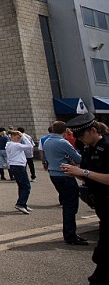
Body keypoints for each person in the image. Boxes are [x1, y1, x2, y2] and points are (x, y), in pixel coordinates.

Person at [62, 113, 109, 285]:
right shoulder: (89, 149)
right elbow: (90, 175)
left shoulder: (107, 147)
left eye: (82, 135)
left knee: (103, 253)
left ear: (94, 130)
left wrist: (83, 172)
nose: (80, 139)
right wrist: (75, 172)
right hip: (101, 203)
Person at [43, 120, 87, 245]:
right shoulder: (62, 142)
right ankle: (70, 235)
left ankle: (70, 233)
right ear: (65, 130)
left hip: (54, 174)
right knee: (71, 206)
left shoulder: (47, 141)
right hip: (65, 174)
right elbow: (78, 158)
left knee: (67, 204)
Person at [6, 130, 33, 214]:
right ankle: (21, 204)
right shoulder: (15, 145)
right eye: (17, 137)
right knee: (26, 186)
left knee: (21, 186)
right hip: (18, 166)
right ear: (12, 137)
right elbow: (30, 146)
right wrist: (24, 136)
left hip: (14, 165)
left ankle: (23, 203)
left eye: (19, 138)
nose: (19, 139)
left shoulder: (9, 144)